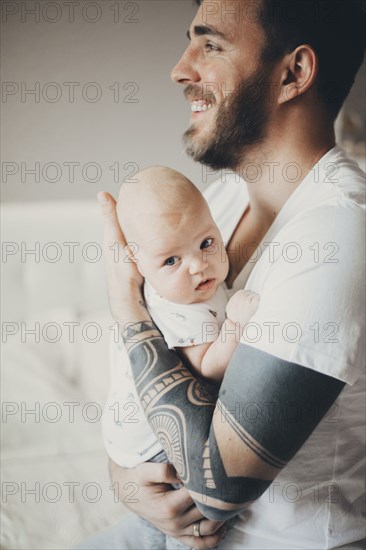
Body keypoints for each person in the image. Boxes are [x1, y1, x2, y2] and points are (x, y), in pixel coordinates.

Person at [76, 1, 365, 548]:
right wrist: (127, 481)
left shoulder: (338, 233)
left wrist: (126, 307)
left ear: (293, 73)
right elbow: (136, 410)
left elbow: (216, 491)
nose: (181, 69)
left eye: (210, 45)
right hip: (158, 530)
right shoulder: (221, 201)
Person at [102, 166, 259, 550]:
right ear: (138, 268)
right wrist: (236, 324)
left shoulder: (192, 282)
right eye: (170, 261)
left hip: (138, 438)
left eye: (206, 242)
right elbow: (207, 365)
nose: (196, 264)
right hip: (151, 444)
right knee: (194, 527)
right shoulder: (174, 305)